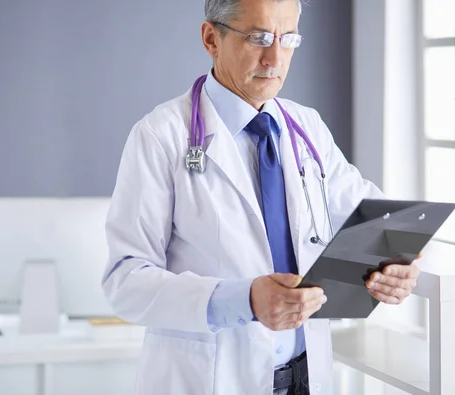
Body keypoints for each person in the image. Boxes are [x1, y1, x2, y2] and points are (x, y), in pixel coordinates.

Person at [101, 0, 420, 394]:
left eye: (287, 39)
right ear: (210, 38)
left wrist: (396, 265)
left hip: (306, 374)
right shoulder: (160, 136)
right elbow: (126, 281)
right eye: (259, 37)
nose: (275, 59)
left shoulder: (306, 127)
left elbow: (372, 220)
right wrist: (244, 299)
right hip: (213, 378)